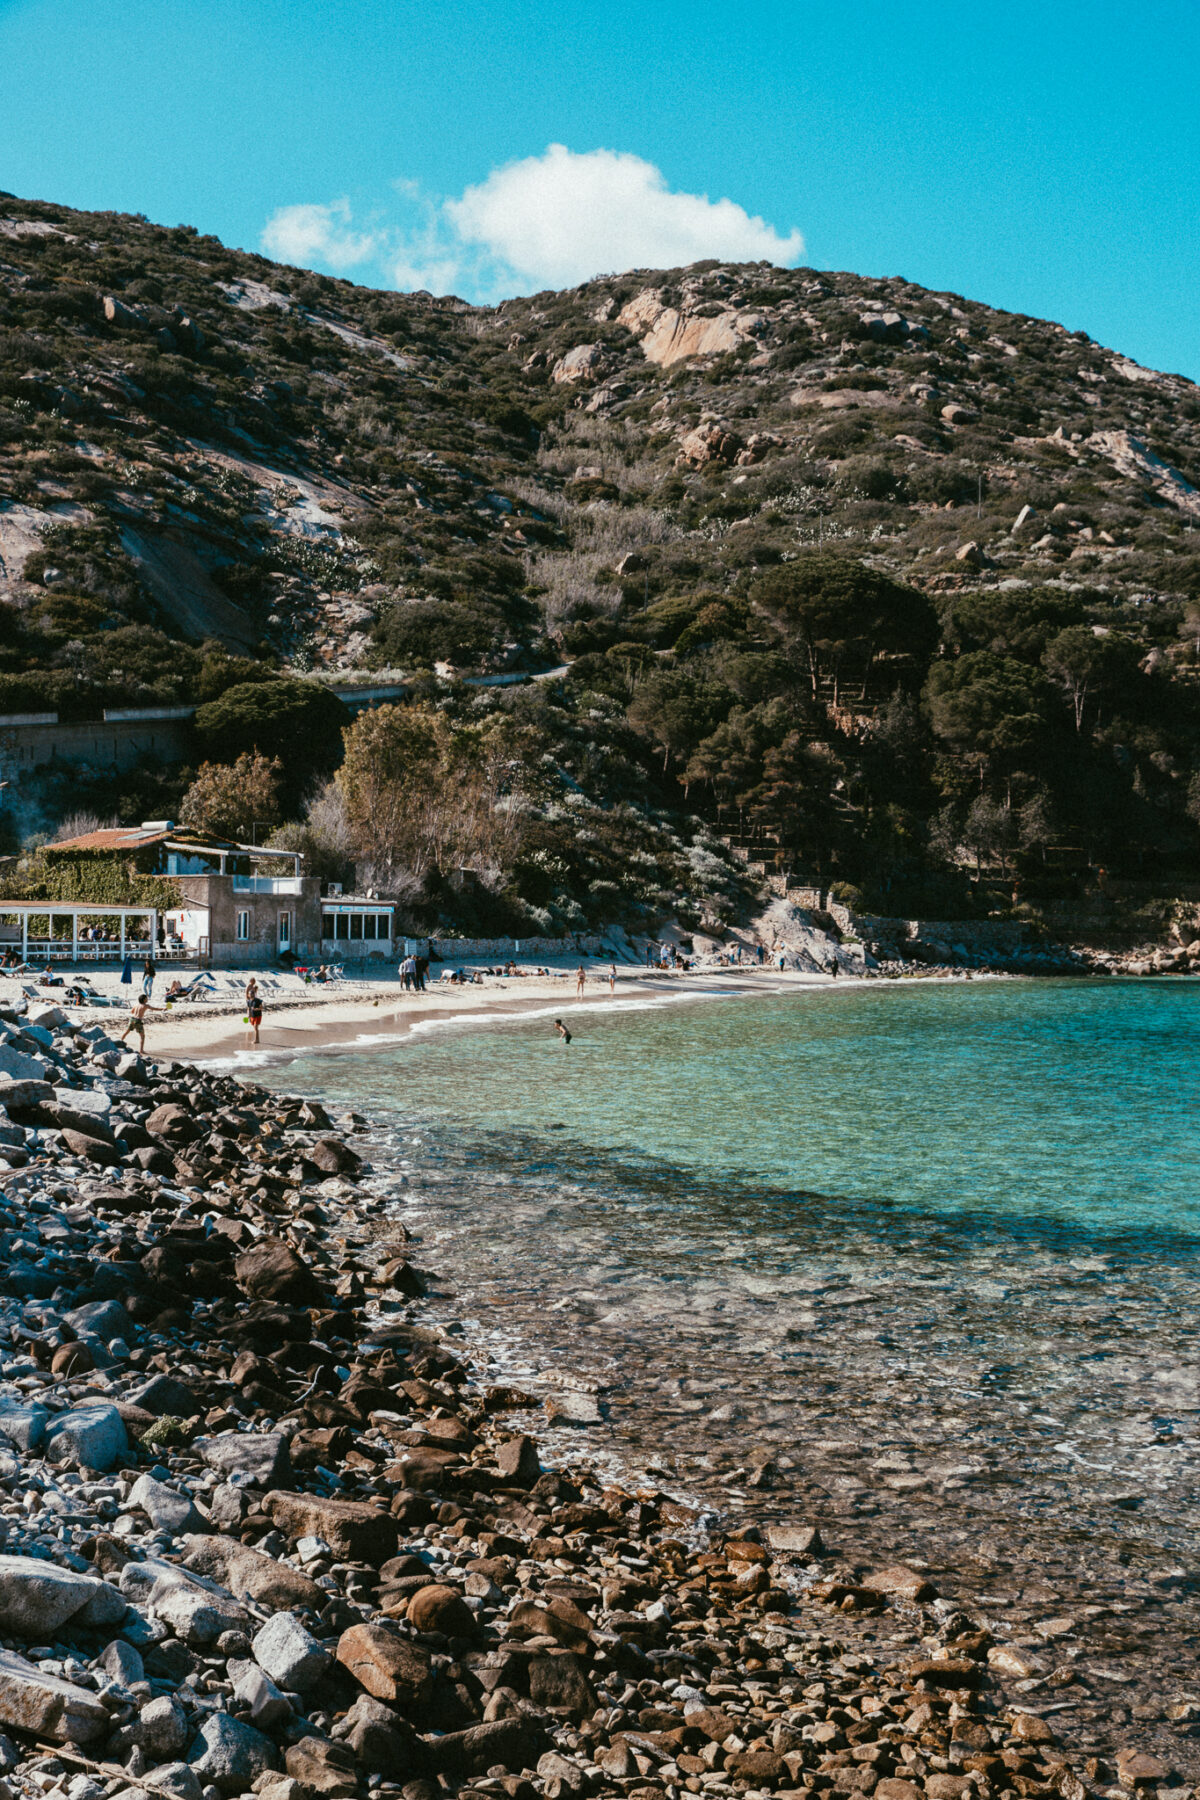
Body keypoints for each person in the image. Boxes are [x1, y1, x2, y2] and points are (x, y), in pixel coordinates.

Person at [245, 978, 263, 1046]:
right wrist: (249, 1016)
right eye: (251, 994)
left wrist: (257, 1009)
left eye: (253, 994)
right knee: (254, 1026)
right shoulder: (248, 987)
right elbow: (249, 1009)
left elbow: (261, 1008)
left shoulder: (258, 1000)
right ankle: (248, 1019)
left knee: (255, 1027)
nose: (252, 994)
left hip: (258, 1015)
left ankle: (257, 1040)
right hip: (252, 1014)